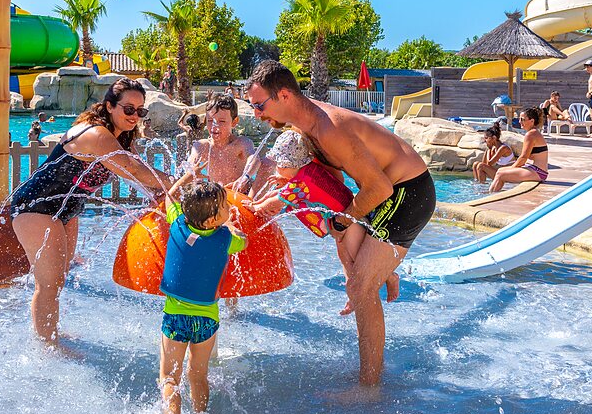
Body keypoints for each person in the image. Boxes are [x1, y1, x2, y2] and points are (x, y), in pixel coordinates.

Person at [245, 60, 434, 386]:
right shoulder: (305, 128)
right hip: (383, 193)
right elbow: (333, 185)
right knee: (348, 255)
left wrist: (345, 220)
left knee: (361, 287)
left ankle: (369, 388)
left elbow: (380, 188)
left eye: (260, 105)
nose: (257, 114)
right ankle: (384, 270)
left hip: (407, 193)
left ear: (285, 95)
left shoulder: (330, 128)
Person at [10, 78, 175, 345]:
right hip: (36, 206)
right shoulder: (96, 134)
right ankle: (48, 346)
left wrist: (158, 195)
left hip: (67, 210)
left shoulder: (122, 138)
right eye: (128, 109)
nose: (134, 116)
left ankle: (50, 332)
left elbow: (134, 174)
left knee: (59, 278)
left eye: (140, 111)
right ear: (109, 106)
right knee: (49, 282)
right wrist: (176, 182)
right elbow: (132, 168)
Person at [250, 129, 397, 316]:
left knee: (359, 261)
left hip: (351, 223)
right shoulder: (306, 172)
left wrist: (255, 207)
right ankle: (353, 295)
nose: (277, 167)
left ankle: (389, 275)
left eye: (280, 164)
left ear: (290, 164)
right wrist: (271, 191)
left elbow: (276, 201)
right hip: (343, 219)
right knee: (345, 260)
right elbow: (286, 192)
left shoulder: (301, 184)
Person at [157, 179, 246, 414]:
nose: (229, 207)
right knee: (197, 374)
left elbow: (169, 197)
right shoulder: (226, 239)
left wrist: (187, 176)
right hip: (206, 320)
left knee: (168, 376)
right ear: (212, 220)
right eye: (225, 206)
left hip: (175, 317)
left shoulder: (177, 223)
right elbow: (244, 241)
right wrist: (229, 226)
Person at [168, 94, 260, 195]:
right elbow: (190, 164)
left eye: (222, 121)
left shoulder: (241, 143)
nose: (215, 126)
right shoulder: (202, 146)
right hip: (217, 196)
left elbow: (254, 159)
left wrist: (245, 177)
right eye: (210, 120)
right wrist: (193, 176)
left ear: (234, 122)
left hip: (241, 194)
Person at [489, 107, 550, 192]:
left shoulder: (531, 135)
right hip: (538, 170)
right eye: (519, 119)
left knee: (500, 174)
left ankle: (491, 194)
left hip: (539, 172)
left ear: (532, 121)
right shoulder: (534, 133)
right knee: (500, 170)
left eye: (522, 119)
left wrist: (512, 168)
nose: (519, 122)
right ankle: (493, 193)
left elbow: (523, 158)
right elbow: (532, 156)